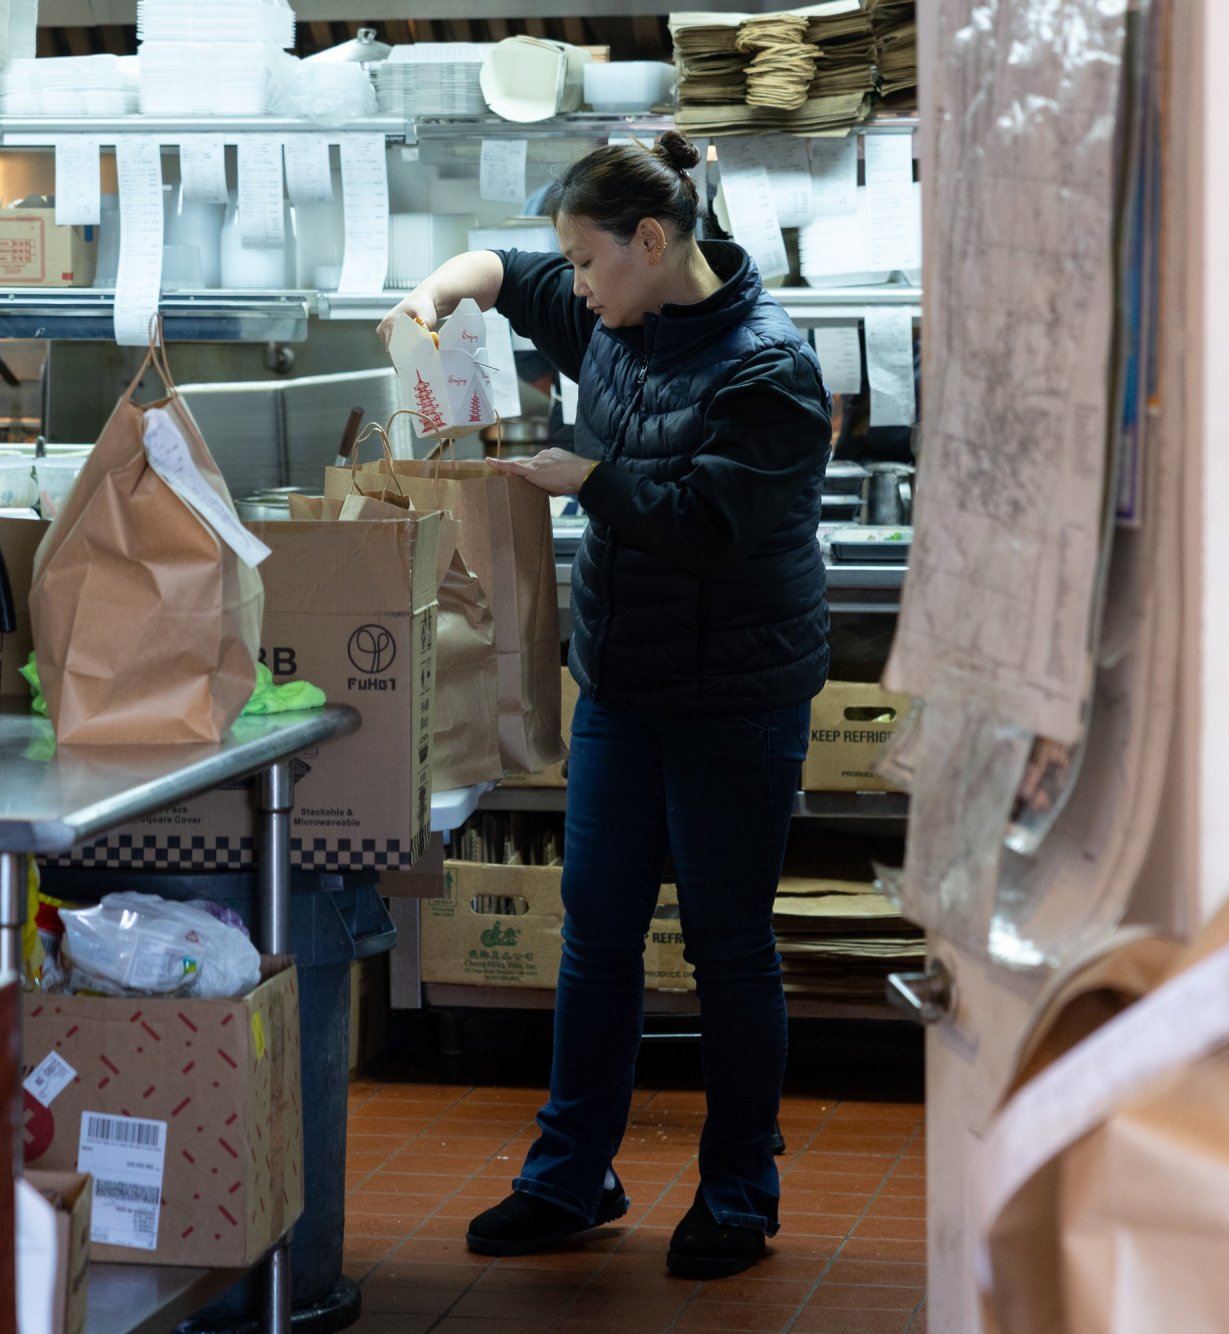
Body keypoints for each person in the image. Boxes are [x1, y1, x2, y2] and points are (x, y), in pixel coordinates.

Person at [380, 130, 831, 1280]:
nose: (572, 287)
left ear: (651, 240)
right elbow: (497, 271)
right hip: (622, 688)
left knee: (726, 945)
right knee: (594, 932)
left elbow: (710, 525)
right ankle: (569, 1174)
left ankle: (738, 1190)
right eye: (571, 266)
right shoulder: (612, 316)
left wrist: (585, 477)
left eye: (586, 261)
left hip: (734, 696)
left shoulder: (770, 367)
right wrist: (432, 299)